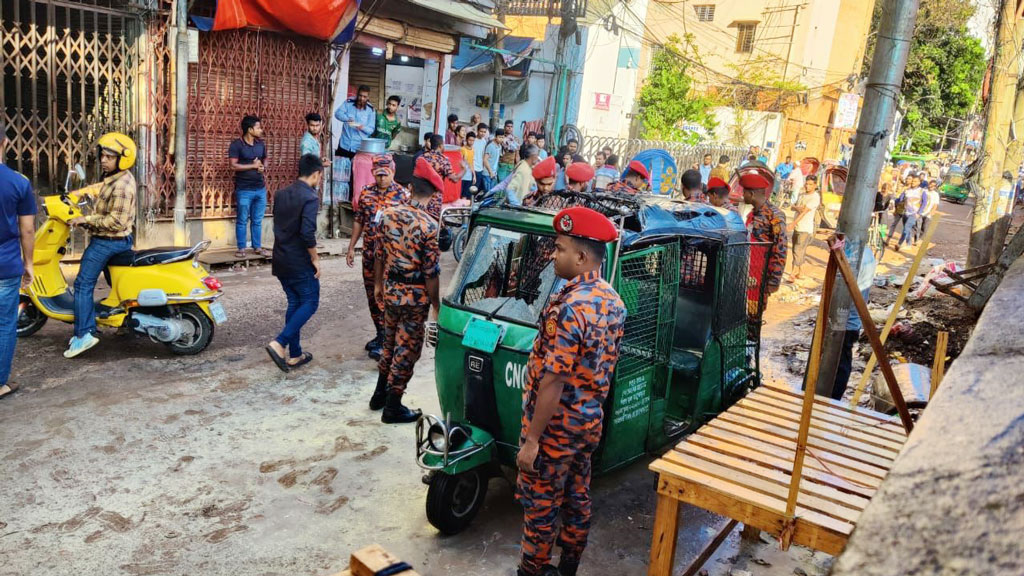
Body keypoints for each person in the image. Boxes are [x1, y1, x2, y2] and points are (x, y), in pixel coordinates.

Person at [516, 206, 626, 576]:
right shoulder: (612, 300)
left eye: (559, 248)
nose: (552, 254)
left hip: (555, 426)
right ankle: (569, 566)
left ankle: (534, 569)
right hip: (587, 422)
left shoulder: (570, 306)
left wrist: (532, 441)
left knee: (541, 504)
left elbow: (554, 379)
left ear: (580, 257)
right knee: (577, 495)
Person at [371, 157, 442, 423]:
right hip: (415, 296)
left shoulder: (387, 215)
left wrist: (378, 284)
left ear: (410, 187)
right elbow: (431, 273)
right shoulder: (429, 226)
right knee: (407, 349)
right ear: (433, 193)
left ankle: (379, 394)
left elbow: (378, 254)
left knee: (389, 343)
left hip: (391, 288)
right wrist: (436, 304)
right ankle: (392, 406)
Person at [64, 133, 137, 358]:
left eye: (109, 157)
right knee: (117, 283)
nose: (103, 160)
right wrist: (79, 193)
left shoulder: (123, 186)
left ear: (122, 159)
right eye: (103, 156)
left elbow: (116, 221)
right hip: (116, 240)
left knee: (83, 284)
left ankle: (84, 334)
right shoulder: (115, 178)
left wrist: (86, 219)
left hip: (108, 241)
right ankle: (126, 321)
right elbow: (101, 188)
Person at [347, 154, 409, 360]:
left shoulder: (403, 195)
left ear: (392, 172)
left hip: (391, 259)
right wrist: (351, 247)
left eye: (386, 174)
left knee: (386, 296)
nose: (382, 179)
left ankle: (387, 340)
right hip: (370, 254)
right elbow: (359, 220)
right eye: (378, 175)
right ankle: (380, 333)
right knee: (372, 296)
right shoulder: (366, 193)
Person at [265, 154, 323, 372]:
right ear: (317, 174)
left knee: (295, 302)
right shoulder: (310, 197)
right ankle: (280, 342)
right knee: (310, 301)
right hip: (298, 260)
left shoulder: (281, 194)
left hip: (281, 258)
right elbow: (307, 232)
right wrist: (315, 258)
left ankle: (295, 354)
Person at [0, 120, 35, 399]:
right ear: (5, 143)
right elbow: (27, 229)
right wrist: (29, 265)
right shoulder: (18, 183)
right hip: (6, 266)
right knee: (3, 324)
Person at [830, 236, 877, 400]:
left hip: (844, 322)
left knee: (839, 363)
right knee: (841, 361)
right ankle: (832, 396)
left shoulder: (855, 258)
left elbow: (839, 290)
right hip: (850, 321)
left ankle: (832, 399)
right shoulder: (867, 253)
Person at [741, 171, 788, 296]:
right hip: (746, 271)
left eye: (744, 192)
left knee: (754, 311)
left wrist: (774, 280)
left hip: (761, 275)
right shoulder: (752, 213)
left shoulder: (775, 215)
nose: (742, 195)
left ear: (751, 194)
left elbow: (781, 248)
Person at [229, 115, 269, 259]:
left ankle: (257, 247)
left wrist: (263, 167)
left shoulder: (260, 144)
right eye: (258, 127)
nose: (261, 130)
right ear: (250, 129)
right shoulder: (236, 145)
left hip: (260, 188)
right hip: (244, 189)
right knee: (242, 219)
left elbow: (265, 159)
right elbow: (233, 165)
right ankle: (241, 248)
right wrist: (252, 165)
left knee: (257, 220)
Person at [422, 133, 460, 218]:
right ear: (440, 145)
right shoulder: (443, 160)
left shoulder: (422, 157)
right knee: (433, 221)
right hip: (435, 197)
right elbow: (454, 178)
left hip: (422, 195)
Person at [790, 175, 820, 279]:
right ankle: (801, 272)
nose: (807, 186)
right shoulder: (802, 195)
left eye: (810, 184)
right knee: (798, 250)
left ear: (815, 185)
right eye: (806, 184)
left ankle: (792, 273)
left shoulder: (815, 197)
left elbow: (804, 212)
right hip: (797, 227)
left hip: (805, 228)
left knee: (797, 250)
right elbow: (793, 207)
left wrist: (793, 223)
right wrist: (797, 208)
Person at [335, 84, 376, 160]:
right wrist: (347, 119)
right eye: (360, 96)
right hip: (344, 144)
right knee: (340, 170)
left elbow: (371, 130)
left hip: (359, 148)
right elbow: (337, 114)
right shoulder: (348, 103)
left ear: (368, 97)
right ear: (357, 94)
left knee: (355, 171)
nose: (362, 98)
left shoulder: (371, 110)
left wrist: (362, 127)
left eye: (364, 97)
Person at [895, 174, 924, 251]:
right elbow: (900, 199)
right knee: (907, 229)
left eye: (915, 181)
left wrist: (919, 213)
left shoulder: (922, 191)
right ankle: (908, 244)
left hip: (914, 213)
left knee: (906, 228)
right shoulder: (907, 190)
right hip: (906, 212)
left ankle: (899, 243)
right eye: (913, 181)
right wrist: (893, 201)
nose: (913, 182)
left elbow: (924, 203)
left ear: (919, 182)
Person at [916, 177, 941, 244]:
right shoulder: (924, 191)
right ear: (928, 184)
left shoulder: (936, 195)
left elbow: (935, 204)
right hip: (920, 211)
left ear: (935, 187)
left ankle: (919, 238)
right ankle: (916, 239)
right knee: (918, 226)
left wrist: (932, 212)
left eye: (933, 186)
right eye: (930, 184)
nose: (931, 186)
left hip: (928, 213)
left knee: (924, 228)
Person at [482, 128, 503, 193]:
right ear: (495, 137)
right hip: (487, 173)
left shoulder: (499, 146)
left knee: (492, 193)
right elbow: (485, 160)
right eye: (499, 137)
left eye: (502, 137)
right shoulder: (490, 146)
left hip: (494, 174)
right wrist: (490, 172)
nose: (501, 139)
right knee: (487, 193)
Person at [461, 132, 477, 200]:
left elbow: (472, 163)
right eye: (470, 140)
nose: (471, 142)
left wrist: (474, 175)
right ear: (466, 140)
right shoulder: (462, 149)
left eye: (473, 140)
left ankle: (461, 209)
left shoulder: (473, 150)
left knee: (465, 194)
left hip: (469, 176)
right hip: (462, 175)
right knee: (460, 193)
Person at [473, 123, 490, 189]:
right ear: (477, 131)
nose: (483, 133)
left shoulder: (484, 141)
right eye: (481, 131)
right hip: (473, 167)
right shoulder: (473, 140)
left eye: (484, 132)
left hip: (480, 168)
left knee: (476, 187)